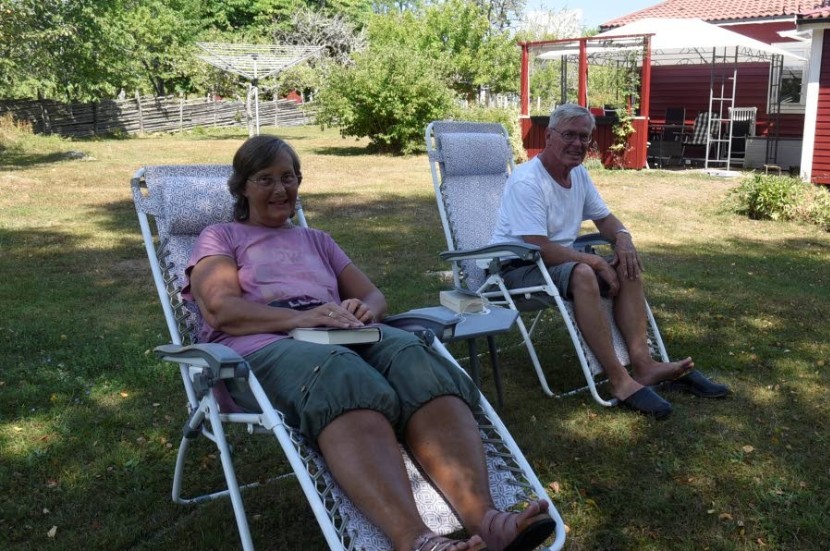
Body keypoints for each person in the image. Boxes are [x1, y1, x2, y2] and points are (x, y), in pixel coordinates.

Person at [182, 135, 556, 551]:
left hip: (338, 333)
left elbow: (375, 296)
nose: (279, 189)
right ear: (243, 187)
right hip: (262, 349)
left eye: (288, 177)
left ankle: (486, 521)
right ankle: (415, 540)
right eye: (264, 179)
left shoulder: (317, 240)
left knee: (417, 358)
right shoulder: (221, 237)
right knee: (342, 374)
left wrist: (363, 308)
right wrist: (301, 318)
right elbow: (220, 310)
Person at [489, 104, 730, 418]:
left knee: (626, 266)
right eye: (569, 135)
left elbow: (606, 220)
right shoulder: (528, 182)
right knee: (585, 273)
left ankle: (643, 365)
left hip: (556, 264)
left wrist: (624, 240)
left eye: (584, 137)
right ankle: (619, 379)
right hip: (517, 269)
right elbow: (540, 247)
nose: (578, 144)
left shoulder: (579, 176)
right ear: (549, 136)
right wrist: (597, 263)